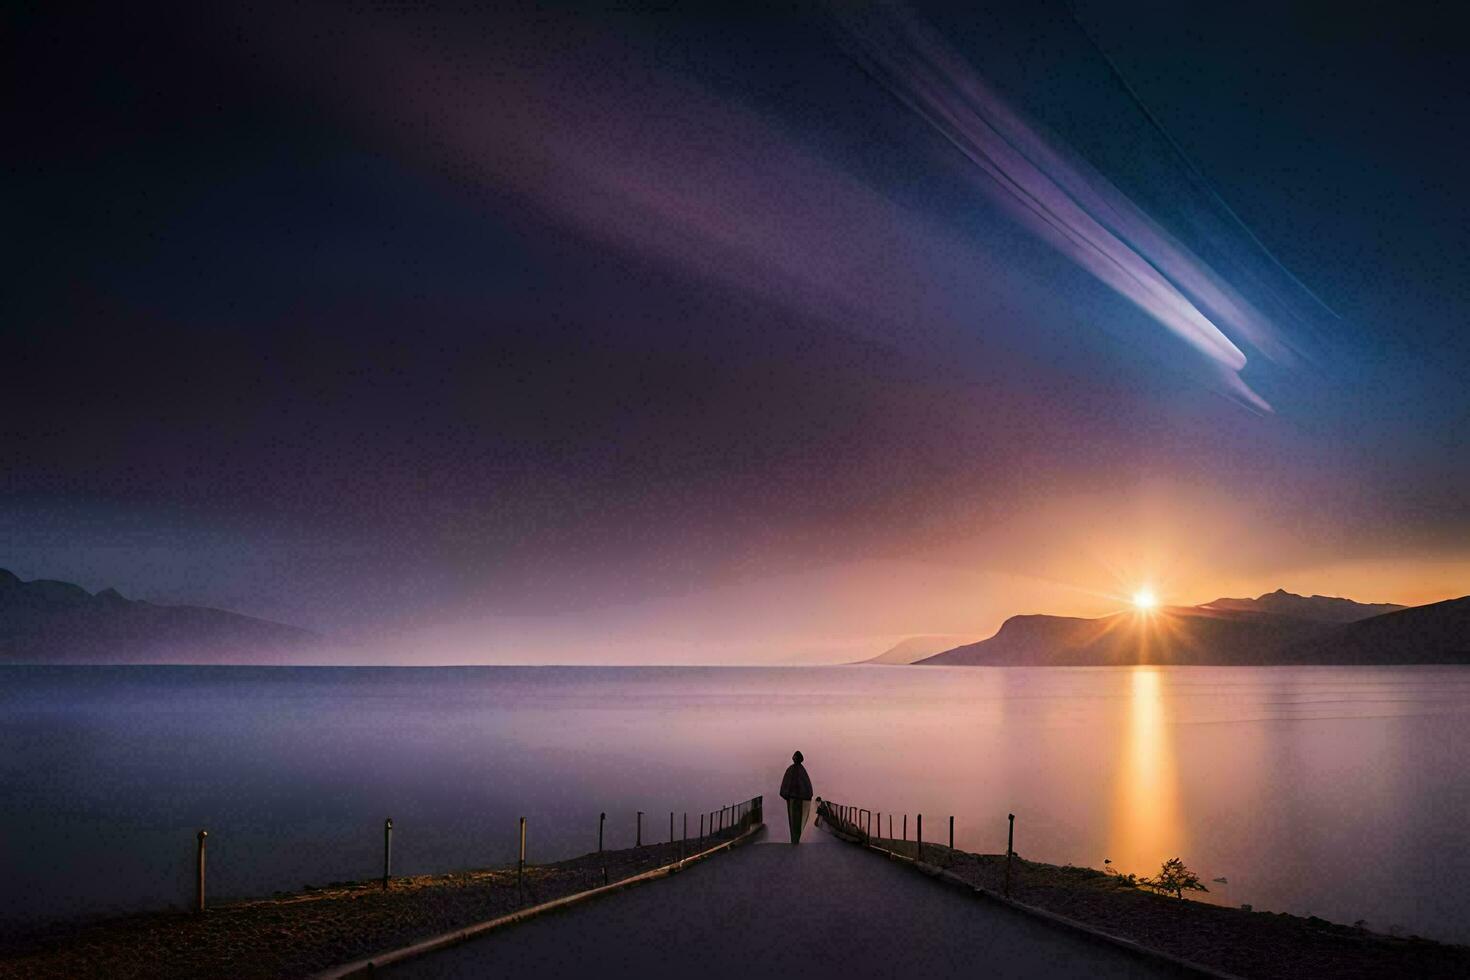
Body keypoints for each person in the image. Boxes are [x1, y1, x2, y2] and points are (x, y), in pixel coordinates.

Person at [779, 750, 814, 844]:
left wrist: (785, 795)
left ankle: (795, 839)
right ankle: (796, 839)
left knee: (794, 820)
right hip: (798, 799)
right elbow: (808, 788)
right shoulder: (802, 771)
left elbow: (785, 786)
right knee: (797, 820)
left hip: (793, 799)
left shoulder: (792, 770)